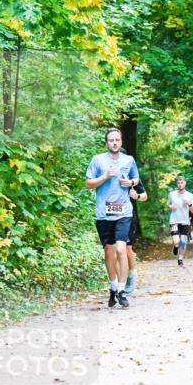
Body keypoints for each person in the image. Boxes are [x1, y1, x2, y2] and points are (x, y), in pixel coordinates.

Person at [86, 128, 139, 308]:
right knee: (109, 251)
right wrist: (105, 176)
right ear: (106, 142)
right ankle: (113, 287)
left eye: (117, 140)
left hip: (124, 212)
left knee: (121, 249)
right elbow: (88, 184)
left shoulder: (129, 160)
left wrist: (130, 183)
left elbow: (136, 179)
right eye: (111, 140)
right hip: (104, 213)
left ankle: (122, 291)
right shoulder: (98, 160)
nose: (114, 143)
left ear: (121, 142)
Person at [125, 169, 147, 295]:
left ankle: (132, 274)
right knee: (113, 248)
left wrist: (137, 196)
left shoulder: (132, 178)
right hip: (110, 217)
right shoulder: (108, 174)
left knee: (127, 247)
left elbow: (144, 195)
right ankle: (117, 281)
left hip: (128, 217)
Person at [167, 175, 193, 268]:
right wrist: (170, 206)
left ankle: (180, 259)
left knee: (183, 242)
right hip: (174, 220)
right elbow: (168, 205)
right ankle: (175, 247)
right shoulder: (171, 194)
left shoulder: (190, 195)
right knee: (177, 242)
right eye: (178, 183)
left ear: (185, 183)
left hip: (185, 221)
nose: (180, 184)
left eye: (181, 182)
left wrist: (189, 204)